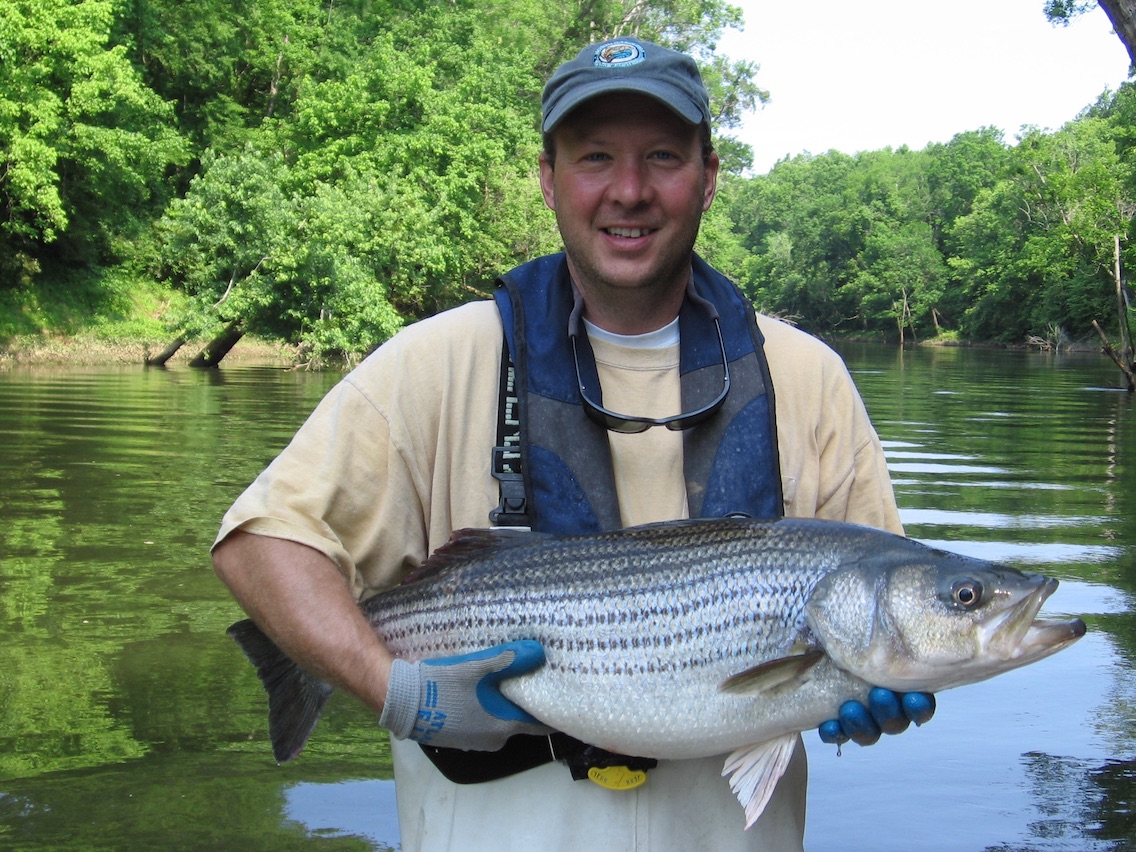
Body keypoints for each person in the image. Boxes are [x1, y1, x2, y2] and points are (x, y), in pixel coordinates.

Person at [212, 38, 932, 851]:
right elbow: (261, 547)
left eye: (662, 155)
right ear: (549, 179)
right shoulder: (432, 363)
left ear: (709, 175)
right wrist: (399, 692)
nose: (629, 191)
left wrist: (867, 687)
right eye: (595, 158)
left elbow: (885, 605)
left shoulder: (811, 378)